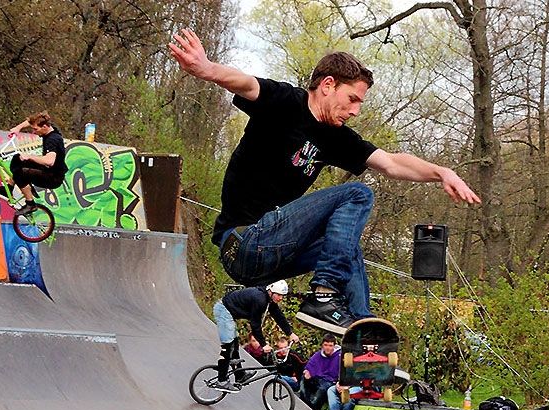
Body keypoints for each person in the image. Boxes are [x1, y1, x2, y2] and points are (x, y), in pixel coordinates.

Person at [169, 29, 481, 335]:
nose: (356, 111)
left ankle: (364, 333)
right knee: (357, 194)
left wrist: (441, 172)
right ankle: (323, 294)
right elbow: (246, 84)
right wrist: (207, 69)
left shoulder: (337, 138)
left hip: (273, 257)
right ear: (328, 85)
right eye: (353, 99)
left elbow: (391, 163)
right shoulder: (285, 102)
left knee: (346, 248)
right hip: (243, 241)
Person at [212, 280, 300, 393]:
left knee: (235, 344)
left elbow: (278, 316)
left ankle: (239, 375)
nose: (280, 298)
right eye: (278, 295)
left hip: (229, 312)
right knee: (227, 347)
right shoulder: (260, 300)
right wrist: (263, 344)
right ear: (271, 291)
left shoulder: (268, 298)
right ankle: (221, 381)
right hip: (224, 311)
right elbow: (255, 325)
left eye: (282, 296)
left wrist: (290, 333)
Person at [0, 111, 68, 215]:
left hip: (53, 177)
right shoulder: (50, 127)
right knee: (17, 159)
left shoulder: (53, 140)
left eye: (35, 130)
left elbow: (49, 161)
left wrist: (30, 156)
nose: (33, 132)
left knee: (20, 173)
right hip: (47, 169)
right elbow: (31, 121)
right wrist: (17, 128)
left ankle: (30, 204)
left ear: (45, 127)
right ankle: (8, 188)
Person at [300, 333, 340, 410]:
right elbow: (308, 367)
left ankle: (313, 409)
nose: (328, 348)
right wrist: (307, 372)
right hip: (317, 379)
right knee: (304, 379)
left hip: (330, 381)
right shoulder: (318, 355)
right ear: (322, 345)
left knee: (323, 388)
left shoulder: (339, 356)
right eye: (325, 345)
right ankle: (303, 404)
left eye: (330, 345)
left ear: (334, 346)